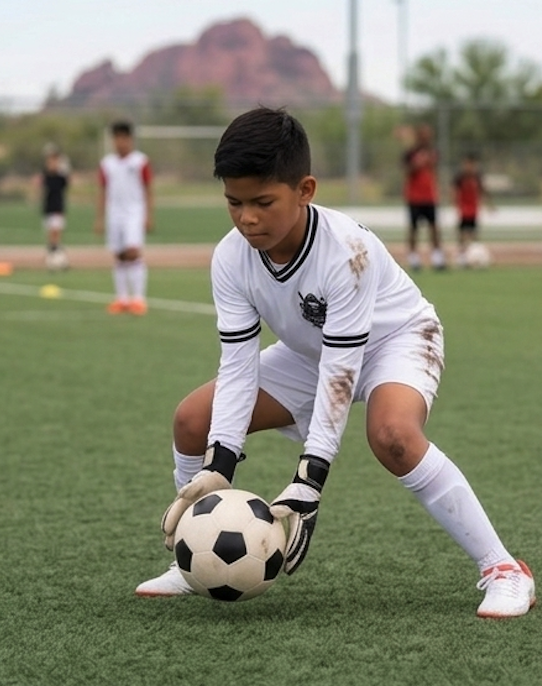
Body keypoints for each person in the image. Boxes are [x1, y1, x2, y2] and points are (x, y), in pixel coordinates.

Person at [136, 107, 534, 618]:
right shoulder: (230, 257)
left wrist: (309, 479)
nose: (247, 218)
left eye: (263, 202)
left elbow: (342, 372)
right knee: (193, 421)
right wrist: (220, 465)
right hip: (312, 351)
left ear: (305, 190)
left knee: (392, 435)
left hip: (397, 340)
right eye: (233, 202)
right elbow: (238, 365)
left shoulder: (348, 251)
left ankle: (503, 569)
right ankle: (198, 552)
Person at [95, 120, 153, 315]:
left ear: (130, 139)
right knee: (119, 255)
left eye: (124, 138)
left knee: (133, 252)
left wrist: (149, 215)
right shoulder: (107, 164)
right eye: (116, 138)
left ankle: (138, 298)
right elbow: (102, 191)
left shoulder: (140, 161)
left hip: (134, 211)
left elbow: (148, 189)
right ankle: (122, 299)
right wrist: (100, 218)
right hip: (115, 213)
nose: (120, 142)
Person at [402, 124, 446, 271]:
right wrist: (417, 164)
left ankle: (437, 258)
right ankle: (414, 258)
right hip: (414, 197)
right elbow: (407, 171)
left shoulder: (433, 152)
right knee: (414, 228)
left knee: (434, 227)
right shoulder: (411, 153)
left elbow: (435, 170)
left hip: (429, 196)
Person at [452, 152, 494, 267]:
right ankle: (462, 257)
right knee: (462, 234)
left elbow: (483, 190)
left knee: (474, 234)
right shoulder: (460, 178)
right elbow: (454, 191)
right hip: (463, 209)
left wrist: (490, 204)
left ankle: (474, 256)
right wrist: (454, 203)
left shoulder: (477, 177)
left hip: (474, 209)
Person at [39, 144, 70, 271]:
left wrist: (63, 169)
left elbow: (65, 184)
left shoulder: (61, 177)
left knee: (56, 233)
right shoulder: (47, 176)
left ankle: (57, 259)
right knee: (51, 235)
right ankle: (53, 259)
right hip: (49, 208)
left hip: (58, 208)